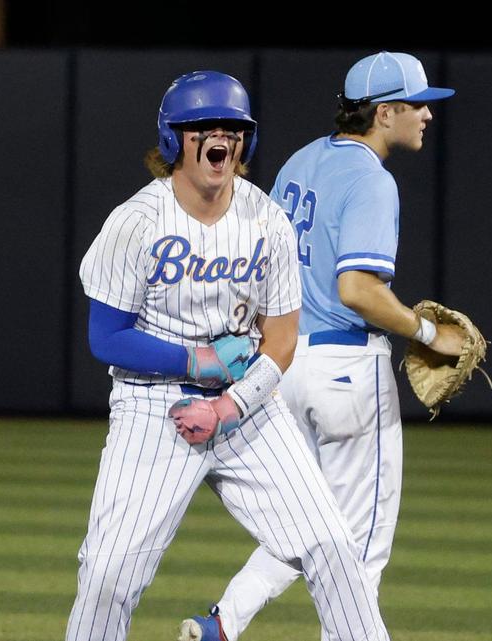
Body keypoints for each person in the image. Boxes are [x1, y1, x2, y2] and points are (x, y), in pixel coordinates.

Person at [65, 70, 390, 641]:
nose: (221, 138)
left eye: (233, 127)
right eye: (204, 127)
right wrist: (197, 363)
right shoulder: (136, 222)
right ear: (174, 139)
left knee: (333, 547)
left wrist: (231, 402)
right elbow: (106, 337)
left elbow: (282, 339)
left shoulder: (267, 220)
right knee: (109, 574)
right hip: (153, 407)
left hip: (248, 412)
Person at [193, 51, 464, 641]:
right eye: (417, 104)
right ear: (384, 112)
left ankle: (221, 623)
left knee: (308, 523)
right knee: (358, 552)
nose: (427, 115)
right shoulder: (371, 179)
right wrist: (425, 333)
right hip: (346, 368)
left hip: (283, 364)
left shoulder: (297, 163)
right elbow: (359, 289)